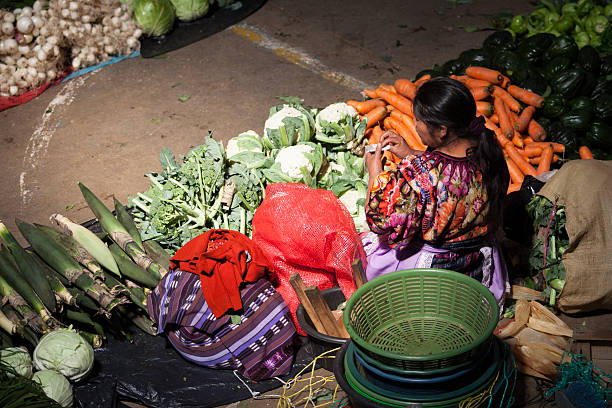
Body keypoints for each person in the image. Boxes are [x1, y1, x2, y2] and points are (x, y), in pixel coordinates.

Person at [363, 77, 510, 304]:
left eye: (419, 120)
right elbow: (451, 179)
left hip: (437, 273)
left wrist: (375, 173)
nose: (415, 125)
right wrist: (412, 152)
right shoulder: (488, 150)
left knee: (368, 246)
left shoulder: (420, 174)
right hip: (477, 265)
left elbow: (381, 221)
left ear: (442, 130)